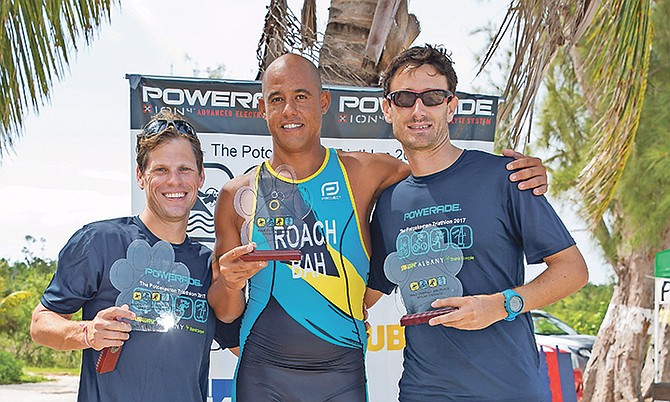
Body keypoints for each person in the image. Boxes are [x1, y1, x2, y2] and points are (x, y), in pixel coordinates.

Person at [207, 53, 549, 401]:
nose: (289, 110)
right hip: (263, 374)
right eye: (277, 99)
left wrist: (526, 173)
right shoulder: (237, 195)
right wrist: (232, 283)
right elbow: (225, 310)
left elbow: (440, 175)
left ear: (323, 101)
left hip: (341, 373)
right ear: (262, 108)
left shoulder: (365, 173)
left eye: (301, 96)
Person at [367, 44, 589, 401]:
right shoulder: (390, 203)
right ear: (388, 109)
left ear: (451, 106)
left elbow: (573, 270)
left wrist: (501, 305)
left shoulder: (506, 177)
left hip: (508, 388)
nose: (419, 109)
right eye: (405, 98)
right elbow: (366, 292)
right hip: (425, 391)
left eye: (433, 97)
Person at [30, 111, 240, 402]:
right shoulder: (98, 242)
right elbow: (41, 323)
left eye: (185, 169)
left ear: (201, 176)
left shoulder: (208, 265)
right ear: (141, 176)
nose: (174, 181)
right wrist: (87, 332)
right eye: (161, 170)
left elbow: (242, 347)